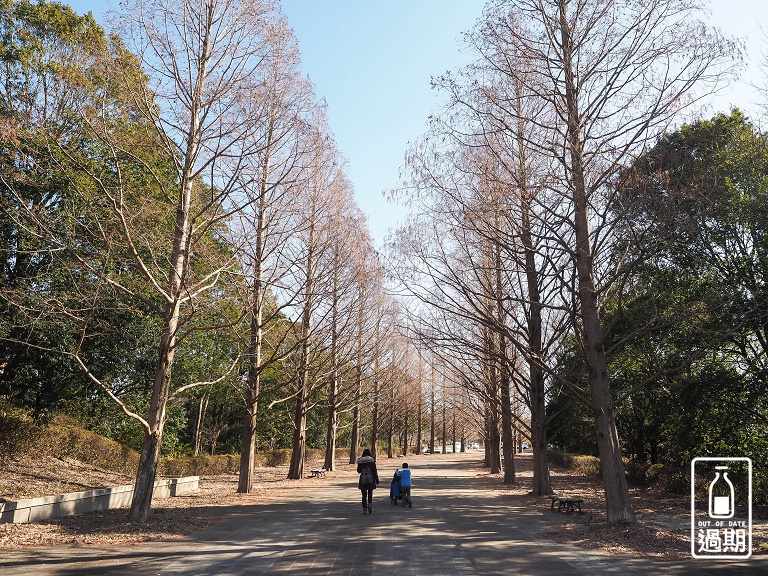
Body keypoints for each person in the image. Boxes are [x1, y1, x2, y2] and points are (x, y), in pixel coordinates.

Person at [357, 448, 379, 514]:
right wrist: (376, 479)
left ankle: (364, 508)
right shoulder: (372, 460)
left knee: (364, 495)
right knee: (370, 493)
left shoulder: (360, 461)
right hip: (371, 479)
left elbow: (358, 471)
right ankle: (369, 504)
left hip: (363, 480)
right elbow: (374, 471)